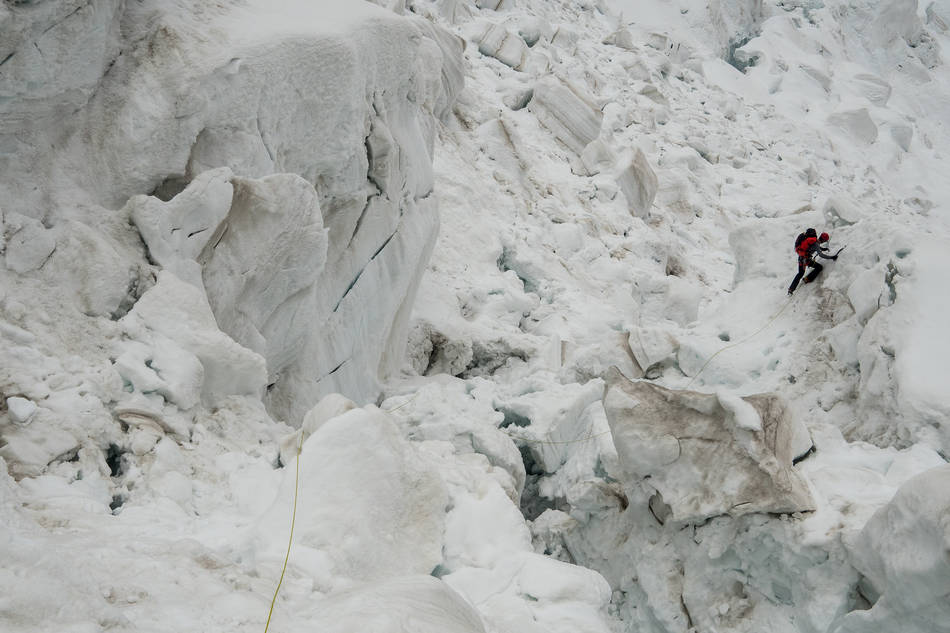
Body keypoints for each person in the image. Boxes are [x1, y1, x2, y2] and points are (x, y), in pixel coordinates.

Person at [787, 228, 837, 295]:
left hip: (803, 259)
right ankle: (791, 289)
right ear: (824, 240)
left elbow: (815, 247)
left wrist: (823, 249)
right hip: (805, 260)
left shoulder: (815, 242)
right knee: (802, 273)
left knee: (811, 269)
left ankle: (803, 281)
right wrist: (831, 257)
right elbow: (821, 255)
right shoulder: (816, 243)